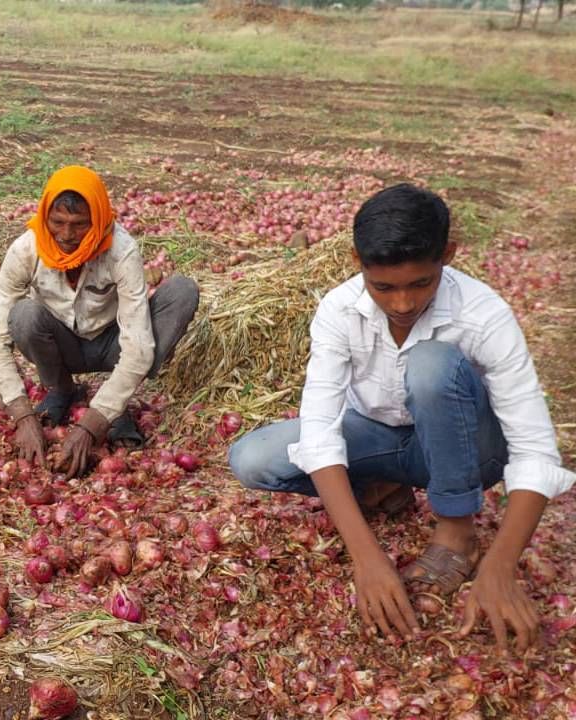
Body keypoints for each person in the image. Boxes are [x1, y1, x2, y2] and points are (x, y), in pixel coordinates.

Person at [228, 184, 573, 652]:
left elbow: (533, 447)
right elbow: (321, 430)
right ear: (358, 261)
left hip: (471, 449)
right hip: (383, 438)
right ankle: (382, 487)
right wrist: (366, 556)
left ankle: (458, 532)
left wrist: (500, 565)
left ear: (447, 255)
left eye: (420, 283)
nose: (403, 303)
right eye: (384, 287)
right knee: (252, 457)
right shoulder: (338, 310)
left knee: (431, 366)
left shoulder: (483, 313)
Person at [0, 165, 199, 478]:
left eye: (79, 225)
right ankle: (60, 387)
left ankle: (114, 404)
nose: (67, 236)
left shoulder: (120, 250)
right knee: (24, 316)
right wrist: (21, 414)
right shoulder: (26, 250)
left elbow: (137, 347)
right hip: (59, 343)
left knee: (182, 292)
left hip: (112, 343)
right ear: (45, 217)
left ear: (97, 219)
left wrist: (92, 425)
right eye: (58, 222)